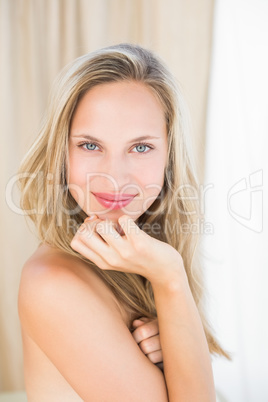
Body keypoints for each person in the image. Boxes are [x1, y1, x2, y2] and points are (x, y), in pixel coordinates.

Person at [17, 43, 230, 401]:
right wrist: (171, 277)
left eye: (141, 147)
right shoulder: (53, 283)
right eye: (90, 145)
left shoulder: (137, 259)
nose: (114, 176)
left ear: (169, 157)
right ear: (61, 153)